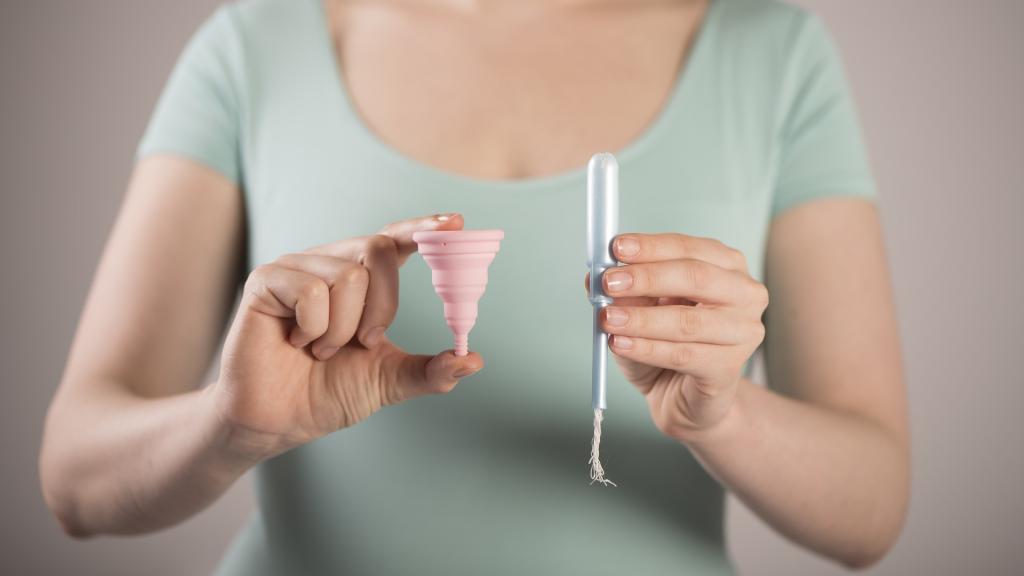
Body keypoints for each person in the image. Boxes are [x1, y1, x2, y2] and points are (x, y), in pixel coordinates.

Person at [39, 0, 909, 573]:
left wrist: (725, 417)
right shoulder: (255, 45)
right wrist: (229, 427)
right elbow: (75, 478)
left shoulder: (770, 50)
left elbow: (870, 510)